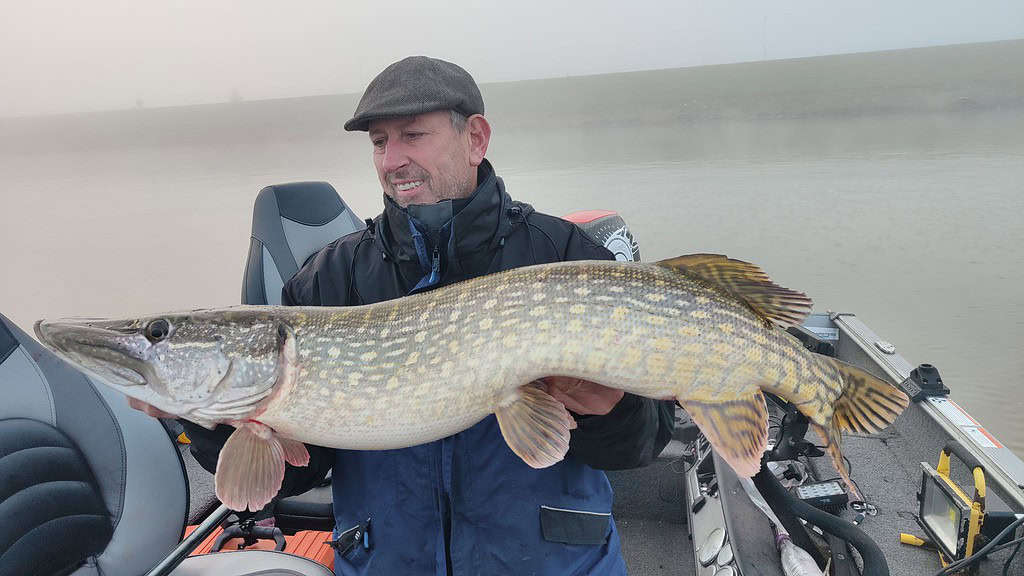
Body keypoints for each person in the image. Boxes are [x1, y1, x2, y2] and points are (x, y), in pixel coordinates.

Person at [135, 56, 674, 575]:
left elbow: (645, 441)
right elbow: (301, 472)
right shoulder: (329, 280)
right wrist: (202, 414)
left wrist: (612, 406)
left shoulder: (563, 257)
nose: (392, 161)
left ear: (476, 139)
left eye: (413, 135)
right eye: (379, 142)